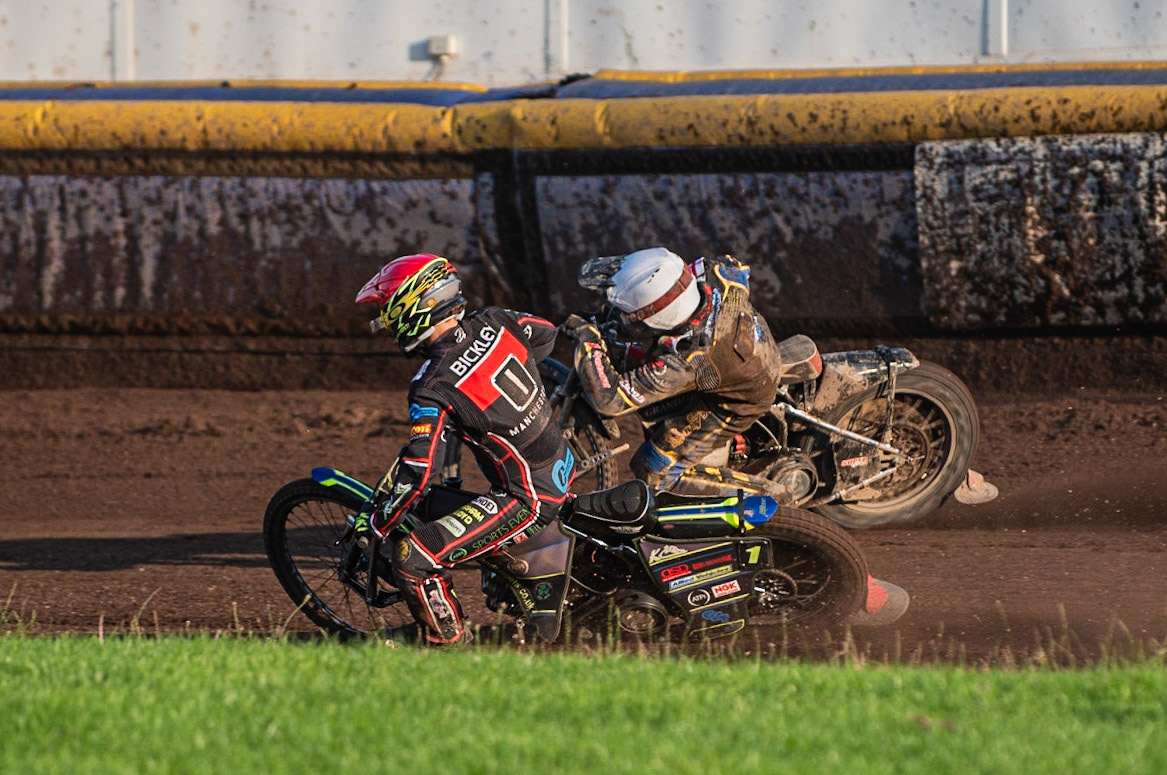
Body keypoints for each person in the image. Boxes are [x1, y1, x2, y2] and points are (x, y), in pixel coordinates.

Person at [564, 246, 908, 624]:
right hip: (752, 353)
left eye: (632, 314)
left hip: (733, 404)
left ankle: (775, 500)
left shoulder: (692, 356)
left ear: (660, 315)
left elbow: (611, 400)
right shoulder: (714, 277)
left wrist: (588, 339)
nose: (624, 318)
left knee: (654, 469)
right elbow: (734, 265)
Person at [352, 253, 576, 644]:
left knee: (412, 558)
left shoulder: (432, 385)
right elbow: (544, 334)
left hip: (526, 499)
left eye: (388, 311)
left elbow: (420, 471)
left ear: (413, 309)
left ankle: (450, 645)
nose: (385, 322)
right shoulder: (494, 319)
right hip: (562, 463)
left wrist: (379, 524)